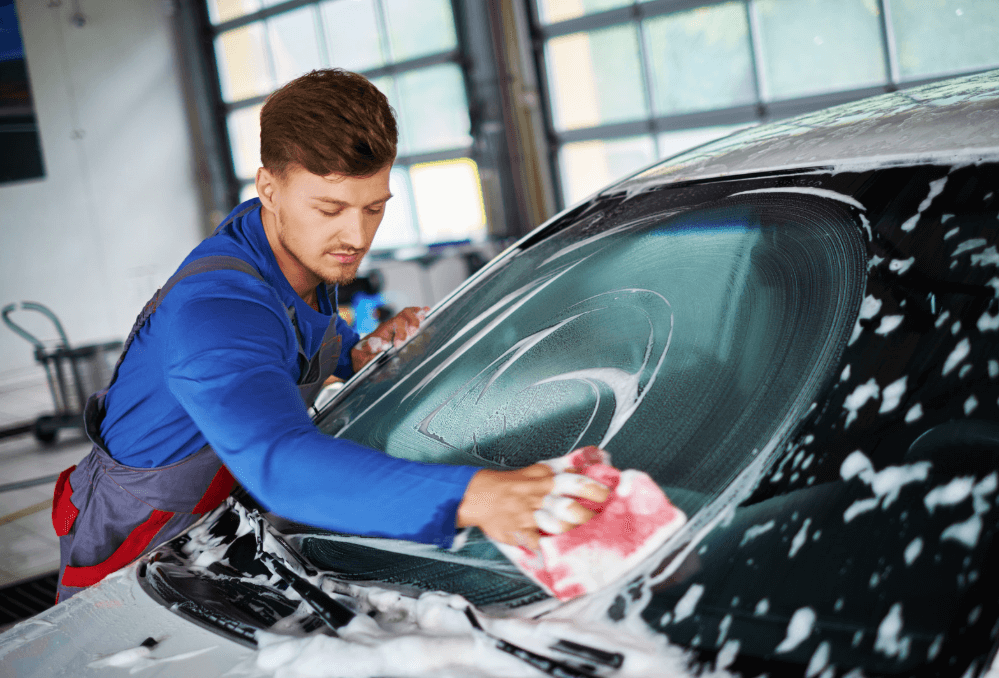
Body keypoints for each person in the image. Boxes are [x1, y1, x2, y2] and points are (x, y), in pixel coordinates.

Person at [52, 69, 609, 603]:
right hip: (136, 549)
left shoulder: (288, 246)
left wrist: (355, 349)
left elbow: (291, 340)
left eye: (374, 208)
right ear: (268, 188)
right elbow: (281, 464)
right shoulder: (215, 311)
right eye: (330, 208)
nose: (357, 235)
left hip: (223, 528)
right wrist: (476, 495)